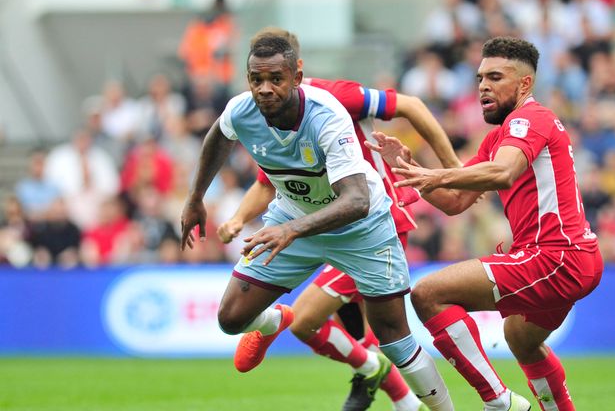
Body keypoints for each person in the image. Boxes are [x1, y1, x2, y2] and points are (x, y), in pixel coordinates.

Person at [180, 34, 453, 411]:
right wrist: (196, 198)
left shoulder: (329, 110)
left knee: (393, 336)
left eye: (275, 78)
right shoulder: (242, 110)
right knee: (231, 318)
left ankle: (423, 401)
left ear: (297, 75)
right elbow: (220, 136)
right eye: (256, 79)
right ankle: (280, 324)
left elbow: (356, 200)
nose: (265, 88)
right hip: (296, 220)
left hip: (363, 227)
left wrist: (452, 168)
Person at [367, 37, 603, 411]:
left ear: (525, 84)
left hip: (556, 256)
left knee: (428, 294)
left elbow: (504, 172)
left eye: (495, 77)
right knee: (520, 338)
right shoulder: (498, 138)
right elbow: (456, 201)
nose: (483, 87)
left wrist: (437, 175)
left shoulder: (531, 118)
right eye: (480, 78)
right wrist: (406, 168)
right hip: (569, 258)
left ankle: (498, 401)